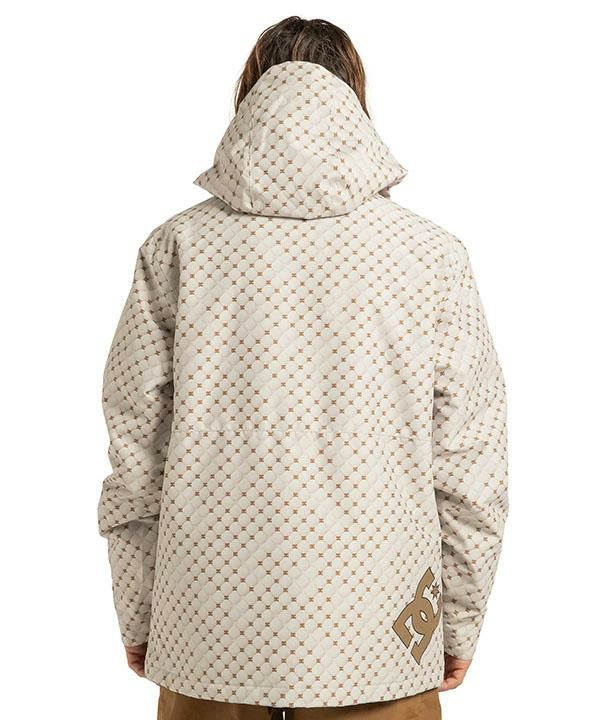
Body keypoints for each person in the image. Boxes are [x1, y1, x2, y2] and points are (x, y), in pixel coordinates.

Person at [98, 16, 508, 720]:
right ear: (355, 102)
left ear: (247, 98)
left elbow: (136, 453)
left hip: (205, 634)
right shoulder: (430, 257)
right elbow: (472, 466)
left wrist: (141, 613)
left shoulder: (178, 248)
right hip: (384, 638)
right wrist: (457, 622)